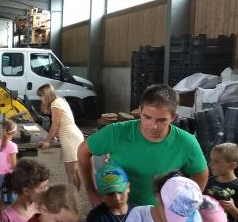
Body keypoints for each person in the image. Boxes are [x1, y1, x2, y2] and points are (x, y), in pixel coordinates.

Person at [78, 84, 209, 207]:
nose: (153, 126)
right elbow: (83, 151)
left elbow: (200, 173)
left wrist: (187, 203)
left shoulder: (186, 142)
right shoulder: (116, 132)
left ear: (173, 117)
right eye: (147, 117)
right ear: (140, 111)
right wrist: (91, 190)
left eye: (161, 120)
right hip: (119, 208)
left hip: (160, 212)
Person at [37, 84, 85, 190]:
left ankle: (71, 196)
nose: (41, 99)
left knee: (71, 171)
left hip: (70, 137)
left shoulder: (55, 104)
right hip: (72, 135)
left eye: (41, 96)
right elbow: (63, 122)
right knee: (74, 170)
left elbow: (55, 125)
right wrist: (55, 136)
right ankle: (75, 193)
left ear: (46, 94)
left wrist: (47, 140)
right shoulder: (59, 100)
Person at [0, 120, 19, 204]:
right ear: (14, 132)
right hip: (7, 176)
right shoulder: (12, 146)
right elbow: (13, 166)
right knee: (10, 200)